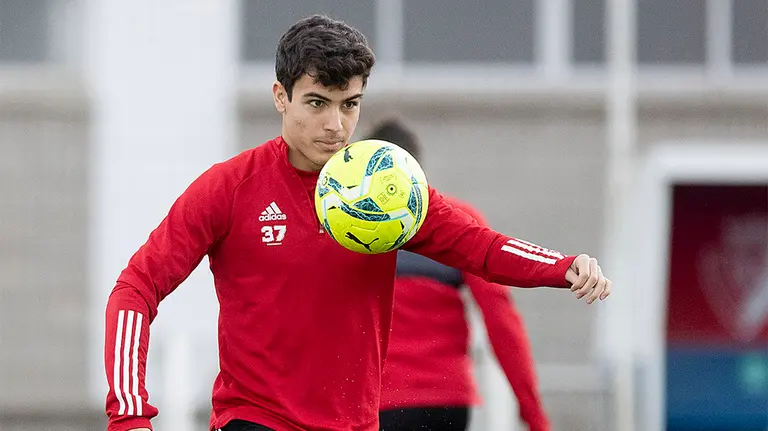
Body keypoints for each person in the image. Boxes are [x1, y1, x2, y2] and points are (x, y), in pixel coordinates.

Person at [103, 15, 611, 431]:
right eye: (317, 103)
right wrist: (130, 415)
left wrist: (562, 266)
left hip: (357, 424)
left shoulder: (390, 192)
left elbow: (480, 247)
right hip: (256, 420)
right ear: (280, 96)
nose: (336, 125)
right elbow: (136, 288)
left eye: (349, 106)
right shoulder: (230, 187)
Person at [366, 119, 551, 431]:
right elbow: (501, 320)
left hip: (378, 404)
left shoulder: (350, 232)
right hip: (446, 403)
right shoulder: (458, 222)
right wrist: (534, 414)